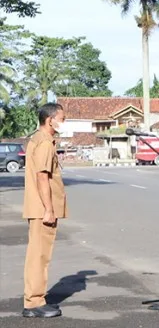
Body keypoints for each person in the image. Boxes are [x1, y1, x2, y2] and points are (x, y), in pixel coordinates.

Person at [22, 103, 67, 318]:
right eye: (62, 119)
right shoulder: (45, 144)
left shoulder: (38, 139)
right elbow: (42, 177)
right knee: (39, 257)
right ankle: (33, 303)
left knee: (38, 256)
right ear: (51, 120)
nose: (63, 123)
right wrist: (49, 209)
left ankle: (35, 300)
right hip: (42, 210)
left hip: (38, 208)